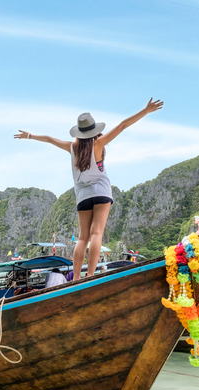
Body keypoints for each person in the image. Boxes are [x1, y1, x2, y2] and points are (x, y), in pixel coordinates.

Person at [16, 98, 164, 280]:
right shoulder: (98, 144)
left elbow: (50, 139)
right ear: (94, 130)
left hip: (83, 195)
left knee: (82, 237)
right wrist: (145, 111)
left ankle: (76, 277)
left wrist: (30, 136)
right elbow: (123, 125)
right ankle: (91, 274)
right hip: (101, 192)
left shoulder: (72, 147)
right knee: (97, 233)